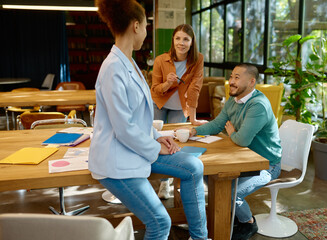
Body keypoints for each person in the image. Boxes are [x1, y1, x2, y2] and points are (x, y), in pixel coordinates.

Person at [88, 1, 208, 239]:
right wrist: (155, 147)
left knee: (194, 167)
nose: (145, 32)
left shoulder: (129, 62)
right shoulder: (113, 68)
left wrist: (158, 137)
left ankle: (199, 237)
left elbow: (138, 118)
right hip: (117, 160)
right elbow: (123, 128)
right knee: (160, 222)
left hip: (134, 149)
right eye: (145, 26)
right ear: (135, 26)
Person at [188, 63, 282, 240]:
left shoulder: (258, 105)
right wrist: (194, 131)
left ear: (251, 82)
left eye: (237, 78)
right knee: (210, 175)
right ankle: (225, 215)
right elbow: (218, 124)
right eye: (231, 76)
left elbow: (242, 140)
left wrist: (232, 132)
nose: (231, 81)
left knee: (231, 192)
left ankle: (248, 222)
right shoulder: (234, 99)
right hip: (244, 159)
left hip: (267, 165)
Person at [151, 24, 207, 199]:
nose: (181, 43)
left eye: (186, 39)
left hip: (179, 107)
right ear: (173, 40)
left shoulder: (197, 59)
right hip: (158, 103)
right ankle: (150, 177)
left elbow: (195, 89)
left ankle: (165, 183)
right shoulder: (161, 60)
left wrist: (193, 118)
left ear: (192, 42)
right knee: (154, 139)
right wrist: (168, 83)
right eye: (178, 38)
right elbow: (155, 89)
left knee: (173, 144)